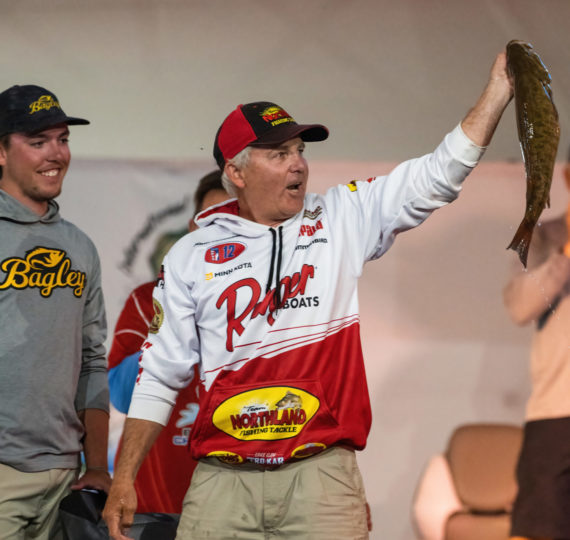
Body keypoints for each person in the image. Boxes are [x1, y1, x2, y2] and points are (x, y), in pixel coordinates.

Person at [103, 50, 513, 540]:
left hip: (320, 476)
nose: (298, 165)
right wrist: (123, 477)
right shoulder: (191, 254)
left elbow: (438, 174)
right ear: (236, 172)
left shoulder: (342, 216)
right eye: (279, 155)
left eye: (300, 150)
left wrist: (498, 92)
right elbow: (158, 375)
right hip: (221, 480)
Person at [0, 85, 110, 539]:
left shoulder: (80, 246)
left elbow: (92, 359)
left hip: (66, 478)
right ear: (2, 152)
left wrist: (99, 466)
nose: (56, 154)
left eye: (62, 139)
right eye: (38, 141)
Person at [108, 170, 228, 514]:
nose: (220, 234)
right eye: (211, 222)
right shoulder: (147, 301)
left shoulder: (267, 305)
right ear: (192, 230)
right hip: (157, 506)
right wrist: (178, 314)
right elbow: (120, 394)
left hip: (239, 503)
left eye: (234, 220)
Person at [503, 156, 570, 540]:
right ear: (567, 175)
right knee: (537, 529)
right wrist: (565, 254)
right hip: (557, 413)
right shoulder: (542, 235)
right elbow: (519, 306)